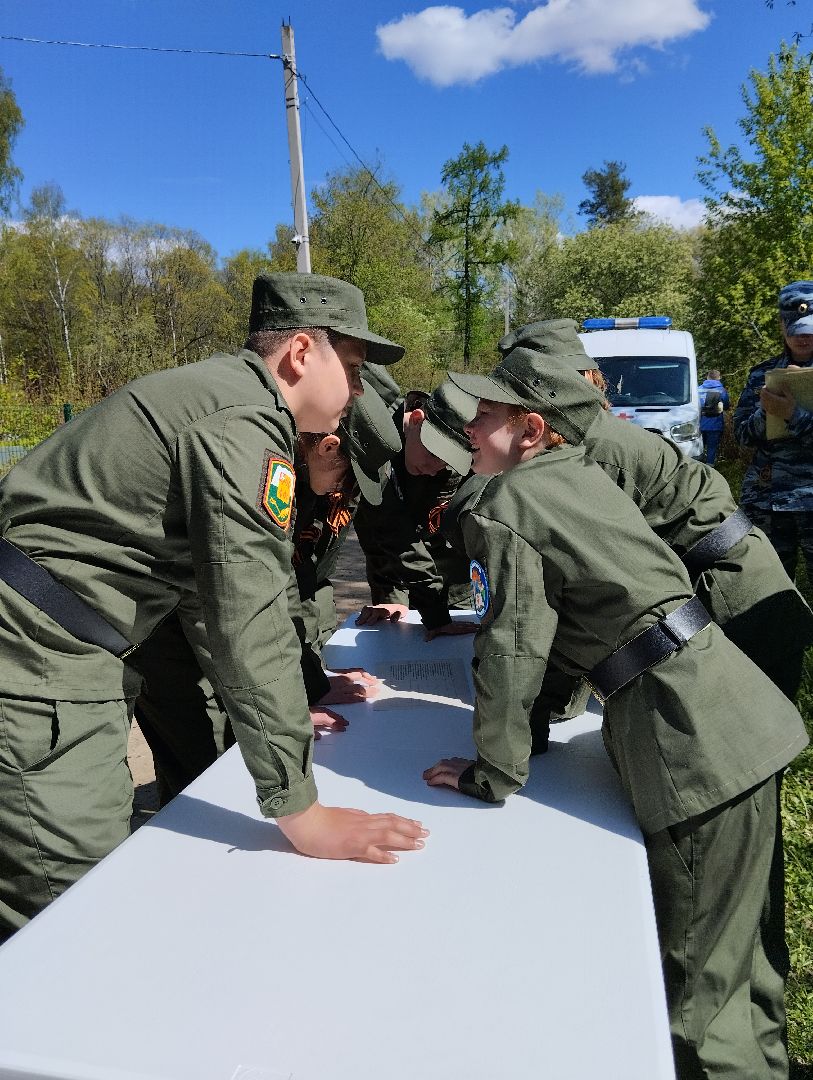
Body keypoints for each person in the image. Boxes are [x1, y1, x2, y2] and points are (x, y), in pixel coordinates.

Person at [0, 272, 428, 941]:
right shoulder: (244, 420)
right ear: (298, 356)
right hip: (34, 659)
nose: (355, 391)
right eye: (349, 366)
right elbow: (245, 615)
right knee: (73, 913)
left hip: (53, 648)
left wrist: (296, 695)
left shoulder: (225, 401)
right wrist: (301, 811)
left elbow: (207, 598)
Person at [426, 343, 808, 1080]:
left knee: (700, 992)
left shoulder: (509, 501)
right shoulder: (570, 474)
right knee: (742, 957)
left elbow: (512, 646)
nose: (469, 427)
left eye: (487, 414)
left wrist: (493, 769)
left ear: (532, 430)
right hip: (734, 708)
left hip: (687, 735)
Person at [132, 378, 403, 806]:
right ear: (329, 448)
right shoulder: (259, 467)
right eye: (347, 479)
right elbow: (245, 603)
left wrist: (304, 685)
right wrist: (284, 708)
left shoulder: (301, 470)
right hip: (161, 632)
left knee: (223, 755)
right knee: (205, 767)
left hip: (199, 624)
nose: (342, 493)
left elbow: (295, 586)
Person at [354, 378, 479, 640]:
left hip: (454, 585)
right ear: (417, 420)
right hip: (393, 571)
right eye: (434, 455)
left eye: (447, 463)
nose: (435, 469)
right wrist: (393, 597)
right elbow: (389, 533)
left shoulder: (466, 443)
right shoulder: (375, 439)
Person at [734, 280, 813, 582]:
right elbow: (742, 435)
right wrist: (765, 411)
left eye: (809, 329)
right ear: (782, 324)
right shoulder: (761, 374)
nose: (803, 337)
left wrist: (793, 415)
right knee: (769, 588)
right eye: (796, 328)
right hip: (768, 500)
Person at [698, 368, 729, 467]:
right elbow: (727, 406)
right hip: (715, 424)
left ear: (707, 377)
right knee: (712, 447)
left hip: (699, 423)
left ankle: (697, 467)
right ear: (719, 378)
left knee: (699, 447)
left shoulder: (698, 389)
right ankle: (710, 468)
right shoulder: (721, 390)